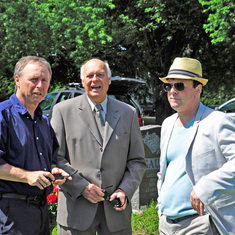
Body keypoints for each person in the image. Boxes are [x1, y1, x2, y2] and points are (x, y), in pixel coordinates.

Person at [51, 58, 146, 235]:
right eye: (90, 75)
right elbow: (55, 158)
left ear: (109, 79)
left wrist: (125, 189)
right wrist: (81, 187)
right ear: (82, 81)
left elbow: (137, 160)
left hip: (116, 212)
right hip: (76, 211)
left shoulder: (128, 113)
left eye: (101, 75)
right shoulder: (62, 111)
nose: (95, 79)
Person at [157, 57, 235, 235]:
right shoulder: (168, 124)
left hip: (199, 223)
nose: (172, 91)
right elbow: (164, 172)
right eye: (168, 86)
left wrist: (205, 187)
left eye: (180, 86)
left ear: (198, 89)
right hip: (166, 224)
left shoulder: (217, 121)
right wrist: (161, 206)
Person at [0, 56, 71, 234]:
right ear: (17, 80)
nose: (39, 85)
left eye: (44, 80)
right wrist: (27, 176)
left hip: (41, 211)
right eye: (33, 79)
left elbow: (50, 160)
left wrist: (54, 170)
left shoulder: (44, 121)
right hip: (10, 212)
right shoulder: (3, 115)